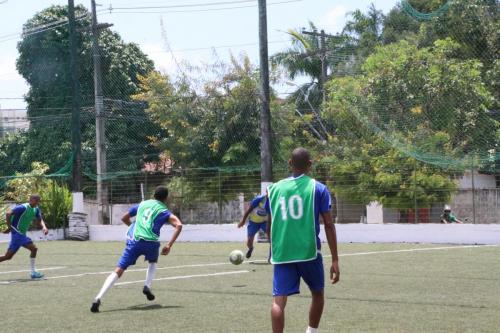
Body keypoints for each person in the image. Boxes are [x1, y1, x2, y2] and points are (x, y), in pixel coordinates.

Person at [266, 148, 340, 333]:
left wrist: (273, 247)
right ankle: (311, 332)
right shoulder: (318, 188)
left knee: (278, 302)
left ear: (290, 163)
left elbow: (270, 225)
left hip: (283, 253)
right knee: (317, 293)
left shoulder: (273, 189)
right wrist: (335, 259)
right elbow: (329, 225)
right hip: (309, 252)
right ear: (310, 165)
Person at [91, 186, 183, 313]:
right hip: (151, 243)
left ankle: (98, 298)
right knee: (153, 262)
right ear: (165, 198)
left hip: (135, 242)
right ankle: (147, 286)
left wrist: (133, 226)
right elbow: (179, 225)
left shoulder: (142, 204)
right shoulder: (164, 211)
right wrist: (169, 245)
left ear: (153, 194)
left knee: (119, 270)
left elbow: (124, 218)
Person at [0, 194, 48, 279]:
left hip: (19, 234)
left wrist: (44, 227)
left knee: (8, 257)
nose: (37, 201)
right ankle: (33, 272)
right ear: (31, 200)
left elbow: (40, 220)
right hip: (18, 234)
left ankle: (33, 272)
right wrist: (10, 227)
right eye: (36, 200)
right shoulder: (23, 207)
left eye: (38, 200)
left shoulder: (36, 209)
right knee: (34, 248)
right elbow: (8, 213)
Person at [237, 194, 269, 258]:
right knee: (249, 240)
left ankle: (272, 254)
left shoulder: (273, 200)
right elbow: (248, 211)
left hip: (264, 222)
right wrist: (243, 221)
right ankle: (251, 248)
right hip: (253, 222)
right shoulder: (258, 200)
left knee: (272, 237)